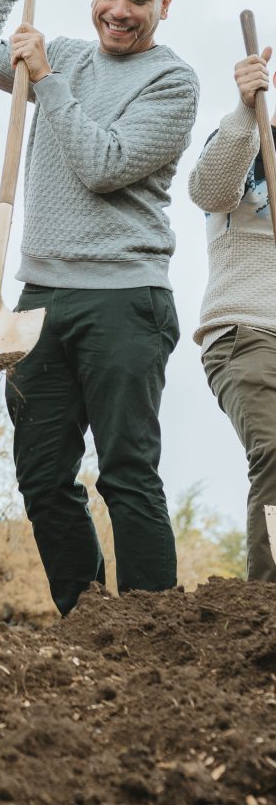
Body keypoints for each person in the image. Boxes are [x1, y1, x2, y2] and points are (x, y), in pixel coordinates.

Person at [0, 0, 199, 615]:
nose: (120, 10)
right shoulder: (68, 52)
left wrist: (48, 79)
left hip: (126, 299)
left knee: (126, 473)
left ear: (165, 5)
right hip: (39, 302)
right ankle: (88, 618)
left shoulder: (172, 82)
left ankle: (151, 629)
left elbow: (101, 164)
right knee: (42, 476)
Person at [189, 48, 276, 582]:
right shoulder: (248, 142)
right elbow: (209, 189)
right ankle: (267, 600)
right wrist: (246, 109)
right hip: (245, 332)